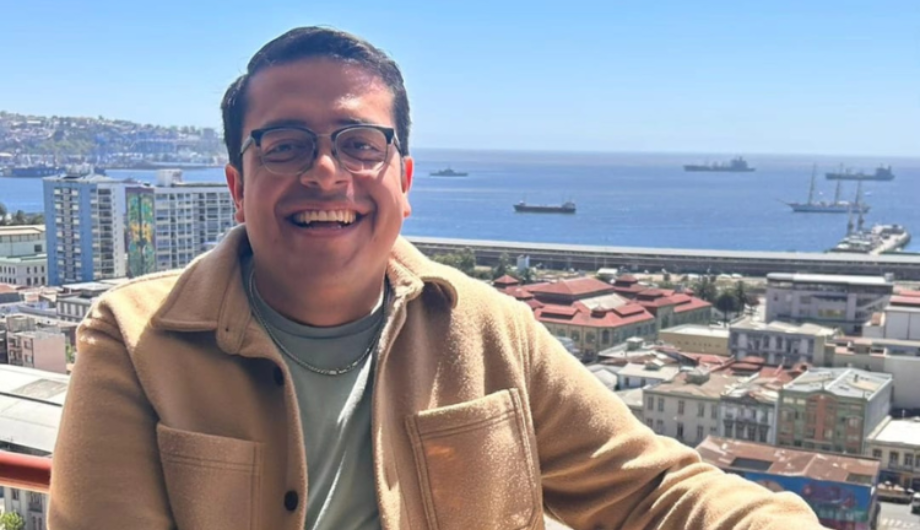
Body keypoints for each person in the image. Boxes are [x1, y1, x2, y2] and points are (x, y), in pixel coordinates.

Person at [49, 27, 831, 530]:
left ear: (405, 176)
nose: (327, 171)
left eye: (360, 144)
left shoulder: (488, 329)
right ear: (235, 184)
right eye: (284, 145)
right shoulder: (133, 340)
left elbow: (652, 491)